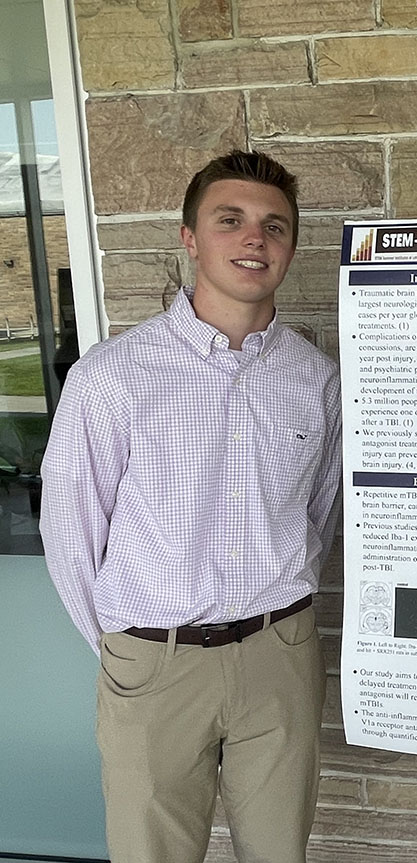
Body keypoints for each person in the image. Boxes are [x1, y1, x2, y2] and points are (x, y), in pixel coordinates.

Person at [40, 150, 342, 863]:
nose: (254, 239)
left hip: (281, 657)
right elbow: (71, 536)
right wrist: (133, 650)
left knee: (279, 854)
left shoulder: (315, 379)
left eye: (274, 226)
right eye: (229, 220)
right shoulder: (113, 377)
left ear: (291, 246)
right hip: (156, 661)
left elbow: (317, 514)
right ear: (189, 237)